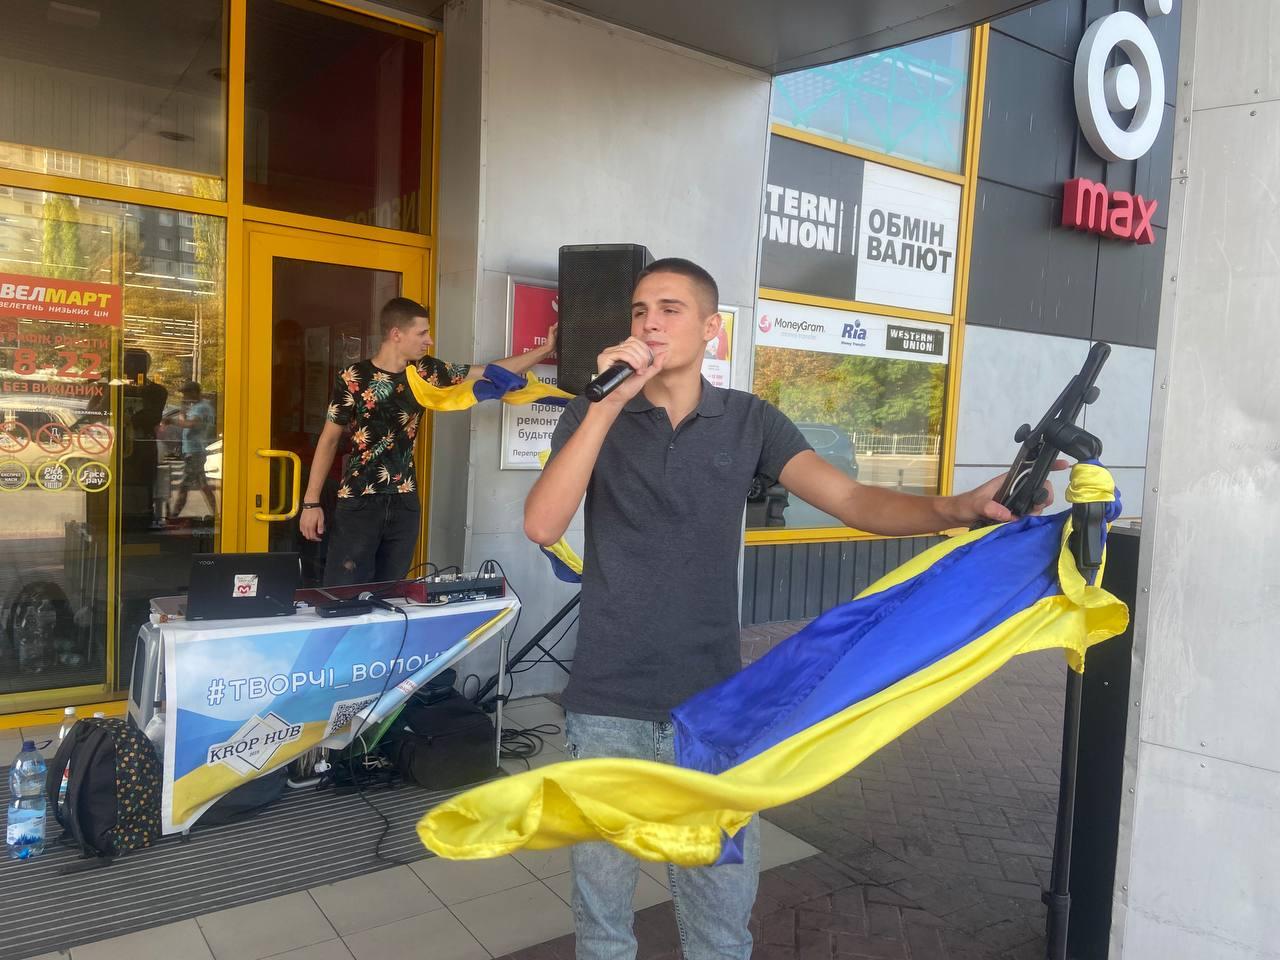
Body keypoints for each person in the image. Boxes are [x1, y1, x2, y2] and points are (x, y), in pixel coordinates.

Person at [523, 258, 1057, 960]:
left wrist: (958, 507)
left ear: (710, 330)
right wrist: (605, 406)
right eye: (639, 310)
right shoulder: (592, 413)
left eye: (670, 309)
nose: (650, 323)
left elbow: (853, 500)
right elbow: (543, 524)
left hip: (714, 709)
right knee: (602, 925)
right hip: (606, 706)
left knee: (719, 923)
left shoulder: (750, 420)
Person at [300, 296, 557, 586]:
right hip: (359, 500)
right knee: (344, 592)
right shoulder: (353, 377)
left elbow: (491, 373)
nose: (429, 341)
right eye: (422, 333)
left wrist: (545, 349)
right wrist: (311, 503)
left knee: (391, 593)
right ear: (396, 334)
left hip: (404, 501)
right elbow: (329, 440)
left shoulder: (424, 371)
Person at [168, 381, 217, 519]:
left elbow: (190, 424)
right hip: (194, 450)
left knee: (185, 486)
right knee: (203, 485)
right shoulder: (199, 407)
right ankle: (216, 515)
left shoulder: (201, 408)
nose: (184, 397)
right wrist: (183, 410)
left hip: (195, 452)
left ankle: (174, 516)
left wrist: (172, 421)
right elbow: (185, 421)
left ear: (194, 392)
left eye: (186, 394)